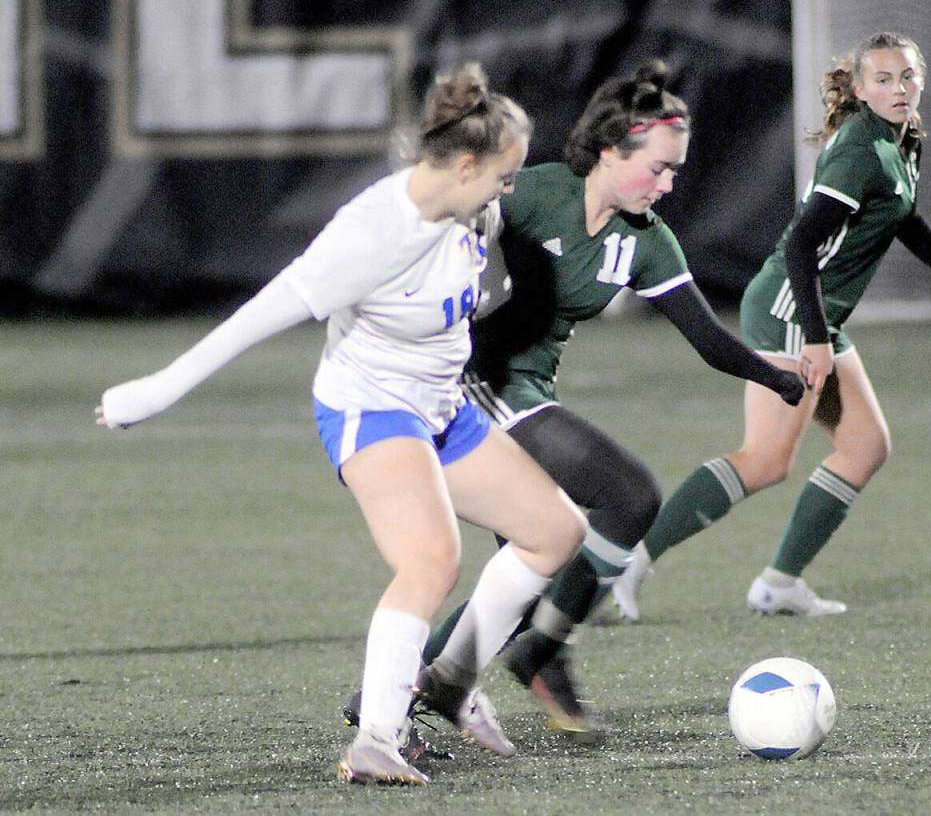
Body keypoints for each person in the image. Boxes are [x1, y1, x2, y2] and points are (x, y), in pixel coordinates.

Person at [95, 63, 587, 787]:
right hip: (370, 407)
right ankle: (377, 741)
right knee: (430, 560)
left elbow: (464, 293)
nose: (508, 192)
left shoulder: (469, 209)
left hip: (441, 406)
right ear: (463, 165)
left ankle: (449, 682)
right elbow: (254, 319)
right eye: (504, 177)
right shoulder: (368, 235)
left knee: (555, 532)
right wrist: (158, 389)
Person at [400, 60, 806, 742]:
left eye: (677, 170)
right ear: (612, 152)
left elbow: (706, 336)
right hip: (476, 386)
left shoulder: (646, 239)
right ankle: (540, 656)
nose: (669, 183)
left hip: (527, 392)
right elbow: (437, 230)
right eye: (658, 167)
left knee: (531, 573)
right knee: (627, 494)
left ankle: (404, 691)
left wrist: (778, 376)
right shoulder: (532, 195)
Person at [612, 32, 931, 622]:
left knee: (865, 446)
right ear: (859, 89)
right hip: (789, 310)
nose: (898, 88)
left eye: (906, 76)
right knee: (765, 459)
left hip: (814, 313)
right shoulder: (861, 150)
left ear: (921, 78)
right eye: (882, 79)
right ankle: (630, 566)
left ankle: (779, 583)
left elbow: (901, 217)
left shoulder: (903, 141)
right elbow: (801, 244)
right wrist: (818, 339)